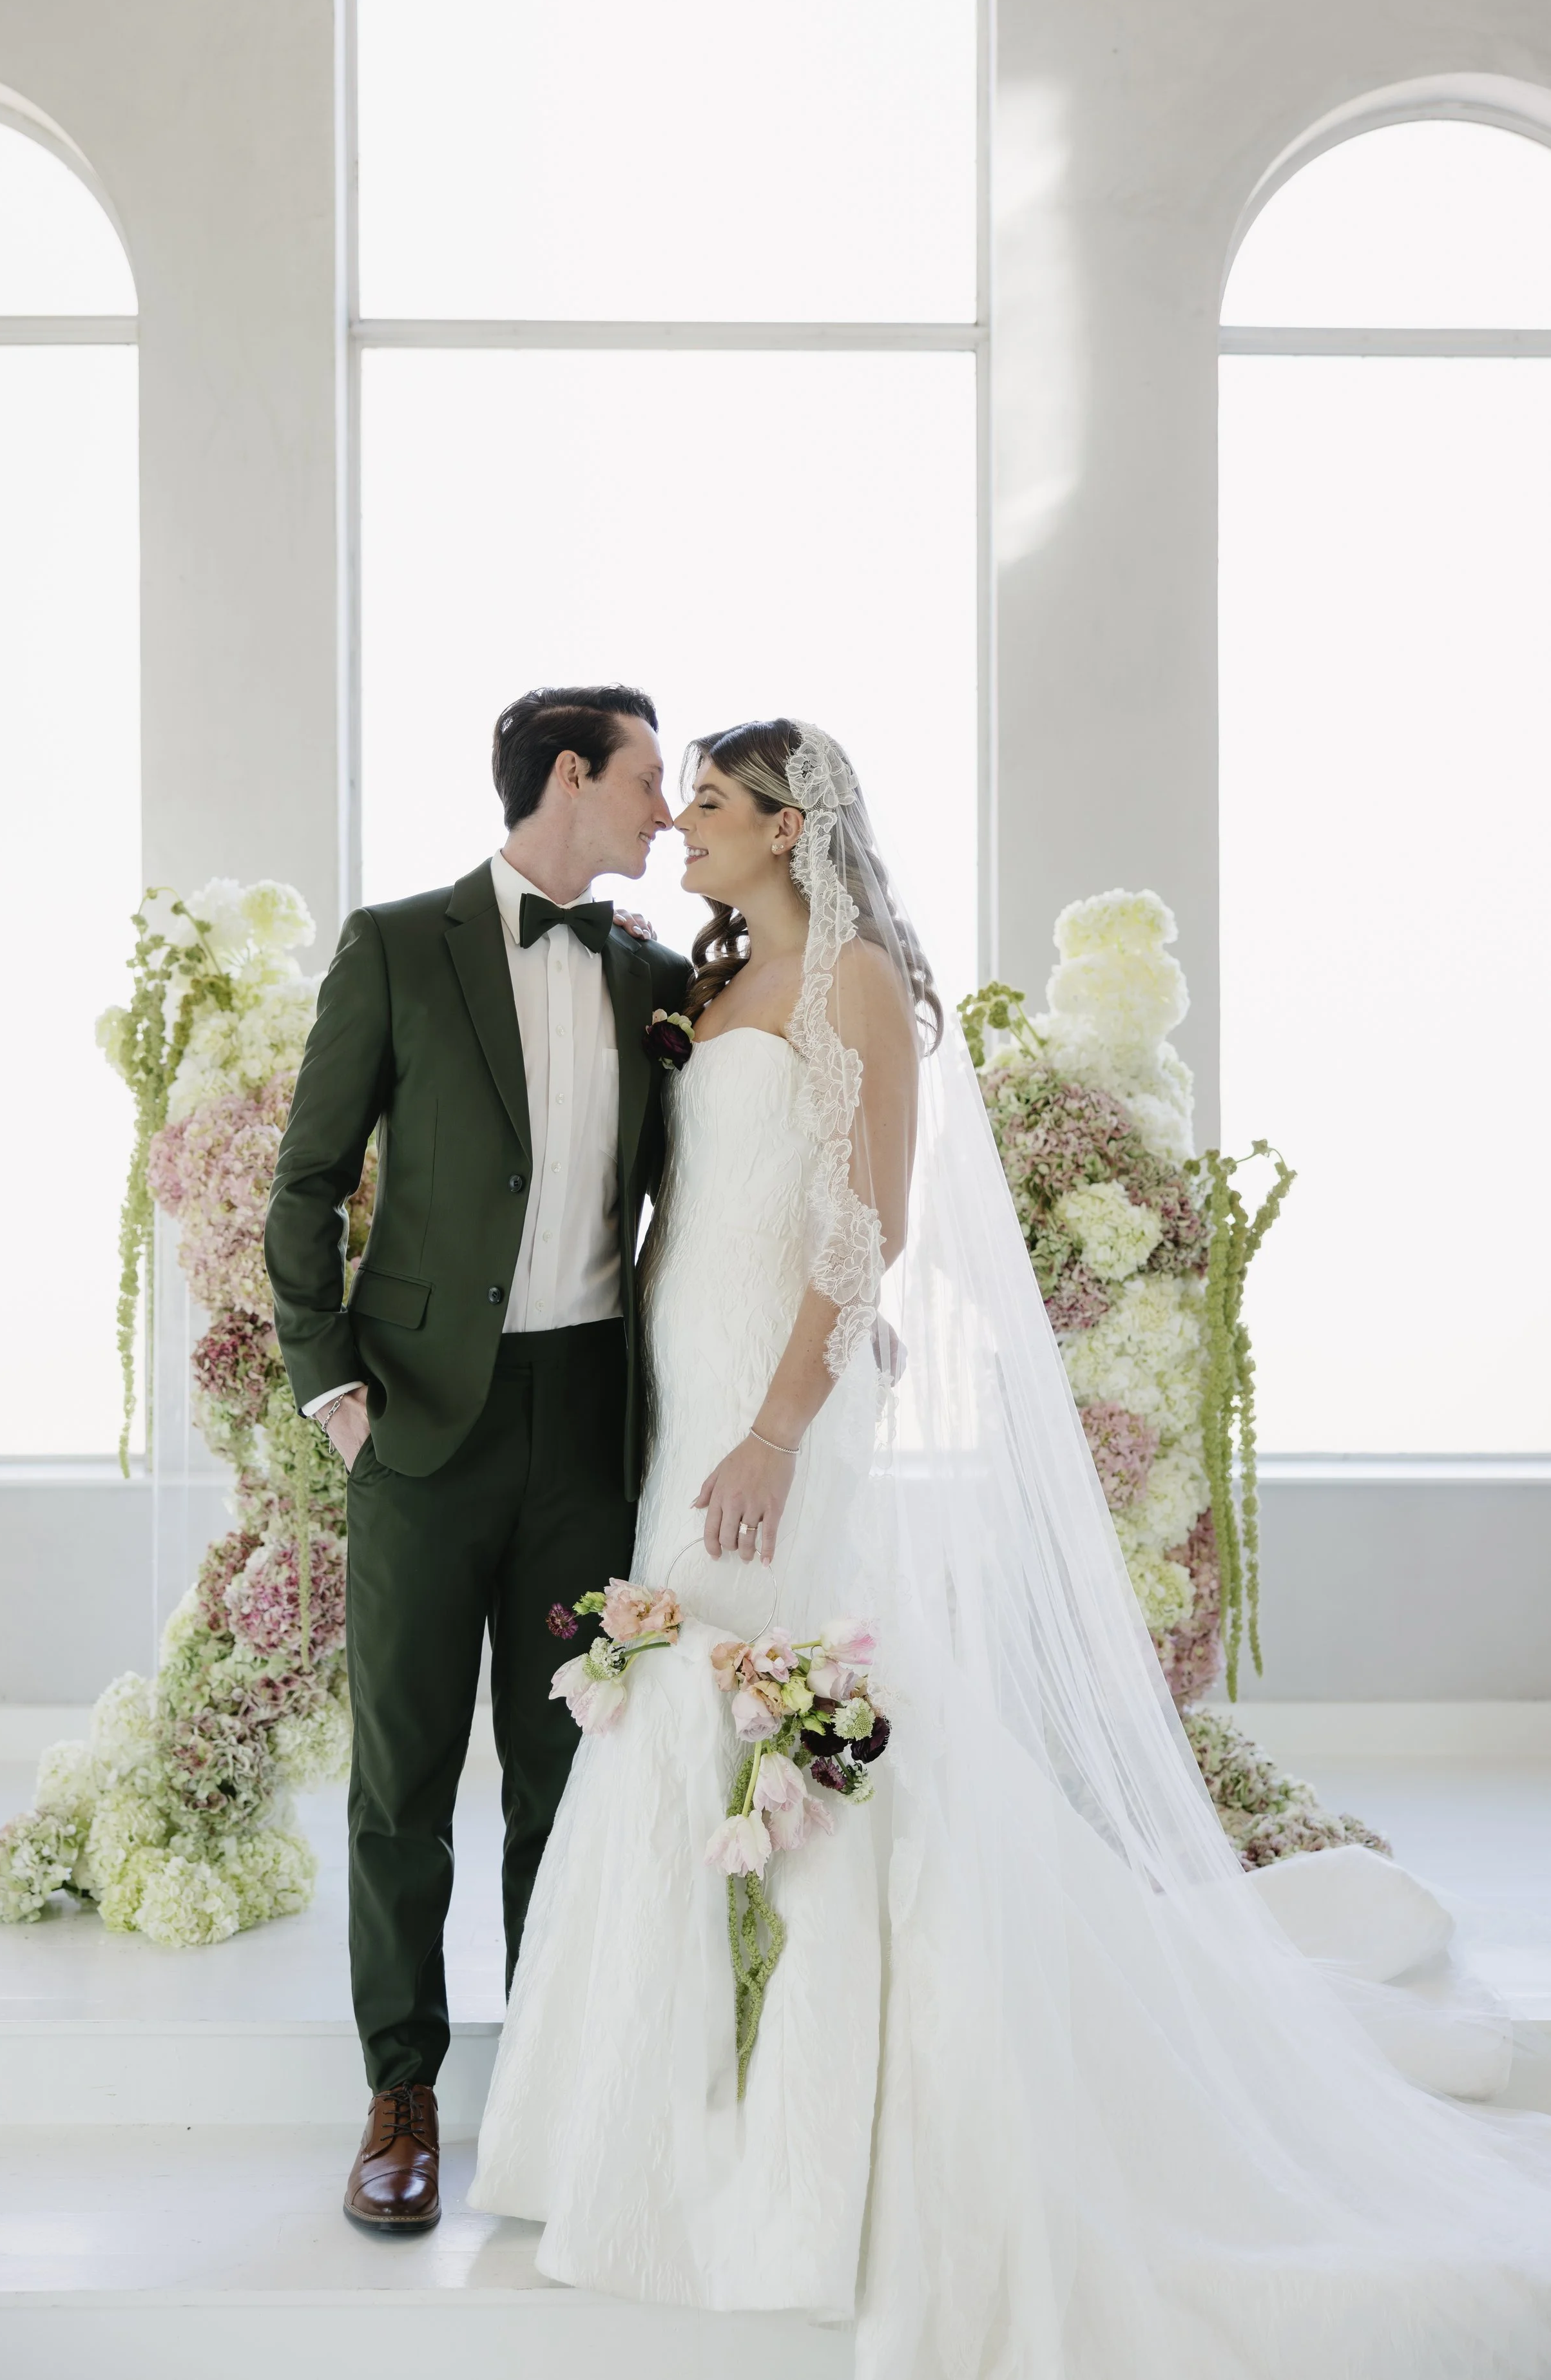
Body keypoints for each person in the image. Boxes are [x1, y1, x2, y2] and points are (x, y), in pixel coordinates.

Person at [471, 717, 1551, 2377]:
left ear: (788, 825)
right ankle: (652, 2120)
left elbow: (868, 1227)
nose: (681, 824)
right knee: (681, 1688)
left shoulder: (852, 984)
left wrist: (778, 1425)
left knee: (780, 1687)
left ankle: (795, 2131)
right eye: (673, 799)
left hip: (773, 1399)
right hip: (687, 1383)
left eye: (709, 803)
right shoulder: (714, 979)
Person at [264, 684, 690, 2234]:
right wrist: (335, 1393)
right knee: (405, 1778)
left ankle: (554, 2099)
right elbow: (306, 1181)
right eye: (645, 779)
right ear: (570, 776)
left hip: (587, 1424)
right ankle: (402, 2096)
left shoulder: (655, 976)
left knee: (564, 1772)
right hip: (421, 1420)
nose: (664, 809)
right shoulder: (397, 946)